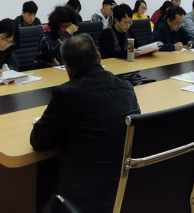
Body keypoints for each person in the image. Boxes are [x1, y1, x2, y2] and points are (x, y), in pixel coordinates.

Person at [31, 34, 140, 213]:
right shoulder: (126, 88)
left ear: (68, 69)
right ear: (99, 57)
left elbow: (39, 141)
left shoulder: (66, 94)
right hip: (125, 190)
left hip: (83, 198)